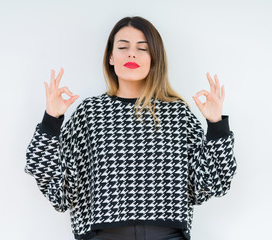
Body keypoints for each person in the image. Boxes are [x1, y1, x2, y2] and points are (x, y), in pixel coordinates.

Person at [24, 16, 237, 240]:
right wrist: (51, 120)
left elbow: (212, 184)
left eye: (142, 48)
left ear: (154, 58)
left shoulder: (177, 114)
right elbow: (58, 191)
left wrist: (216, 127)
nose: (131, 54)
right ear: (111, 57)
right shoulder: (90, 113)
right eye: (123, 47)